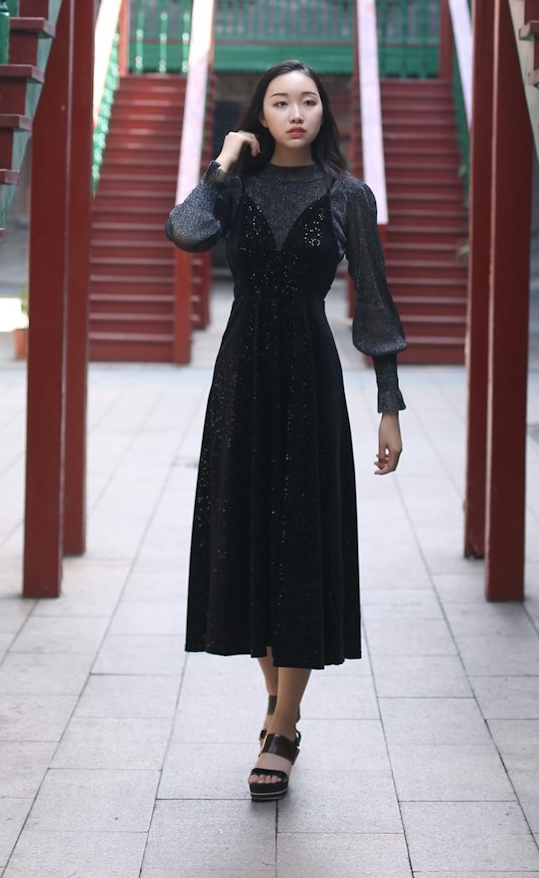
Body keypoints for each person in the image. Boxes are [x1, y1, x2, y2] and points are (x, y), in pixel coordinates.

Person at [165, 59, 407, 802]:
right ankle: (282, 711)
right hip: (242, 380)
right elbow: (186, 231)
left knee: (299, 539)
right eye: (280, 101)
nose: (295, 111)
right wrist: (222, 160)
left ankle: (281, 723)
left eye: (307, 100)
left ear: (323, 114)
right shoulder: (233, 190)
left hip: (310, 377)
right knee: (250, 539)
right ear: (260, 115)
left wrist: (388, 404)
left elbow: (374, 304)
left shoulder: (346, 195)